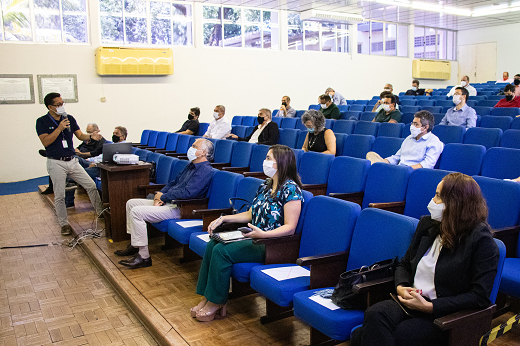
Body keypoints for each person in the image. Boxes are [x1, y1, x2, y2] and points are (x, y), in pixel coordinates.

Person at [351, 172, 499, 346]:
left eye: (437, 196)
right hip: (410, 300)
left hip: (443, 314)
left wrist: (430, 307)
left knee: (363, 336)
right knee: (374, 314)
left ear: (456, 203)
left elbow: (479, 296)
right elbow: (404, 264)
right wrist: (402, 287)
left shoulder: (481, 242)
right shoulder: (428, 224)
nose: (432, 201)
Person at [192, 144, 304, 322]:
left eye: (268, 158)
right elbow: (251, 213)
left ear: (281, 163)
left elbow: (290, 227)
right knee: (214, 242)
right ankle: (207, 296)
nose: (264, 161)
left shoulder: (291, 190)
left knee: (222, 251)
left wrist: (264, 235)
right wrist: (224, 219)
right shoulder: (266, 185)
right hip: (253, 236)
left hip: (271, 244)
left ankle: (216, 301)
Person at [116, 138, 214, 269]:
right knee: (131, 203)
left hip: (181, 208)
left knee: (136, 212)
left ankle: (144, 257)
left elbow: (188, 193)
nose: (191, 148)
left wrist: (164, 197)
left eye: (194, 146)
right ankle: (135, 245)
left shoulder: (205, 170)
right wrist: (159, 195)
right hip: (169, 201)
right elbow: (174, 183)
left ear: (203, 152)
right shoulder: (190, 165)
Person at [36, 92, 103, 236]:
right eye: (58, 104)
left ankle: (100, 212)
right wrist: (59, 128)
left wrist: (91, 136)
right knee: (59, 195)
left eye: (62, 103)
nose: (61, 106)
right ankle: (64, 224)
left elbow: (79, 135)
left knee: (91, 185)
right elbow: (46, 141)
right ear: (50, 107)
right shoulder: (41, 121)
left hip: (72, 160)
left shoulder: (69, 118)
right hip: (56, 162)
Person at [366, 111, 444, 169]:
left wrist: (406, 169)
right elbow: (396, 157)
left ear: (425, 127)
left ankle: (380, 170)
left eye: (416, 124)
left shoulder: (434, 141)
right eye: (412, 123)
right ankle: (380, 168)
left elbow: (427, 165)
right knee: (371, 154)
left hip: (411, 172)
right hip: (398, 169)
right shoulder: (409, 138)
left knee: (377, 168)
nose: (412, 126)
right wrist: (383, 162)